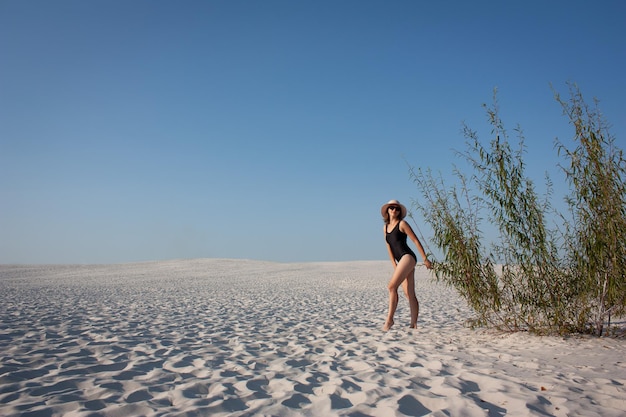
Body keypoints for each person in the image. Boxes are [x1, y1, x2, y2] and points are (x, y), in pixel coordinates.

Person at [381, 199, 432, 331]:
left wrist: (425, 258)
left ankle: (389, 320)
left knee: (391, 286)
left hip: (408, 257)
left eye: (397, 208)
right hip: (400, 261)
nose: (394, 210)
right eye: (391, 208)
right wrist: (394, 265)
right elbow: (389, 247)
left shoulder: (402, 224)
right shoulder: (385, 228)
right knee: (409, 293)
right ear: (387, 210)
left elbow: (415, 240)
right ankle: (413, 324)